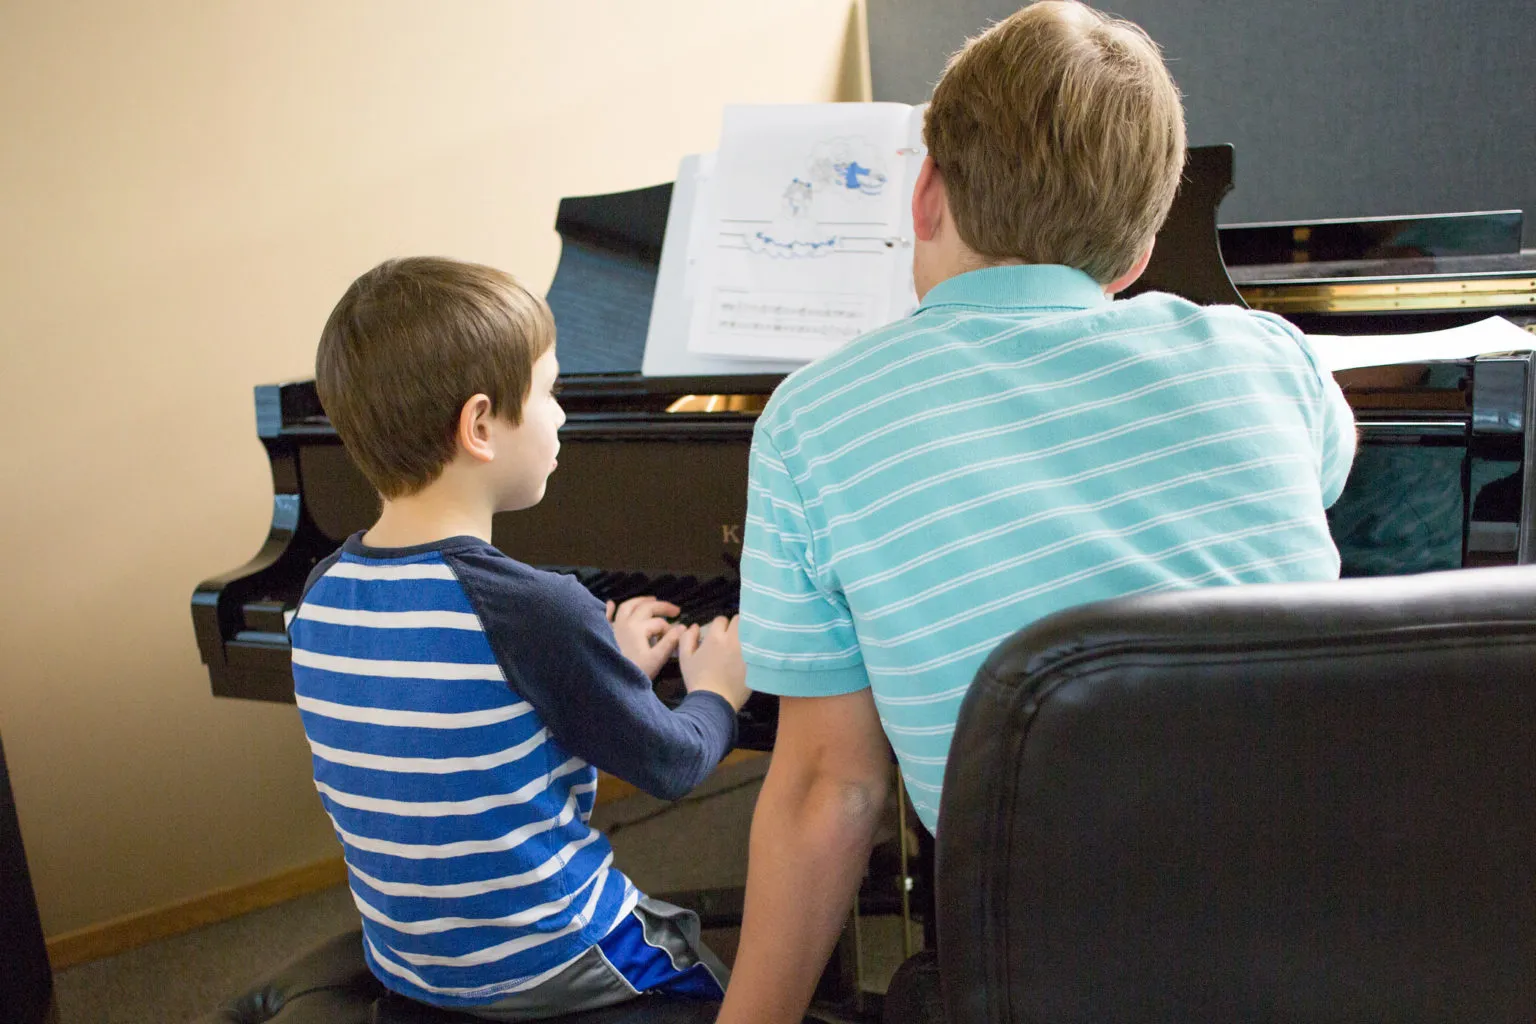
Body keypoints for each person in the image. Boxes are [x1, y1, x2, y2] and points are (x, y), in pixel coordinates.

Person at [718, 3, 1357, 1021]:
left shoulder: (812, 424)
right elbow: (1317, 484)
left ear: (925, 191)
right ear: (1140, 252)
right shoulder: (1271, 358)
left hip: (1040, 969)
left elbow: (831, 791)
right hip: (1313, 943)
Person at [287, 256, 750, 1020]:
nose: (564, 415)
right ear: (479, 426)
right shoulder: (532, 608)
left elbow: (478, 716)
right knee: (724, 983)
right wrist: (715, 690)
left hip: (411, 967)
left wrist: (612, 667)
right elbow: (672, 763)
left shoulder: (324, 594)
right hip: (556, 960)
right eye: (550, 392)